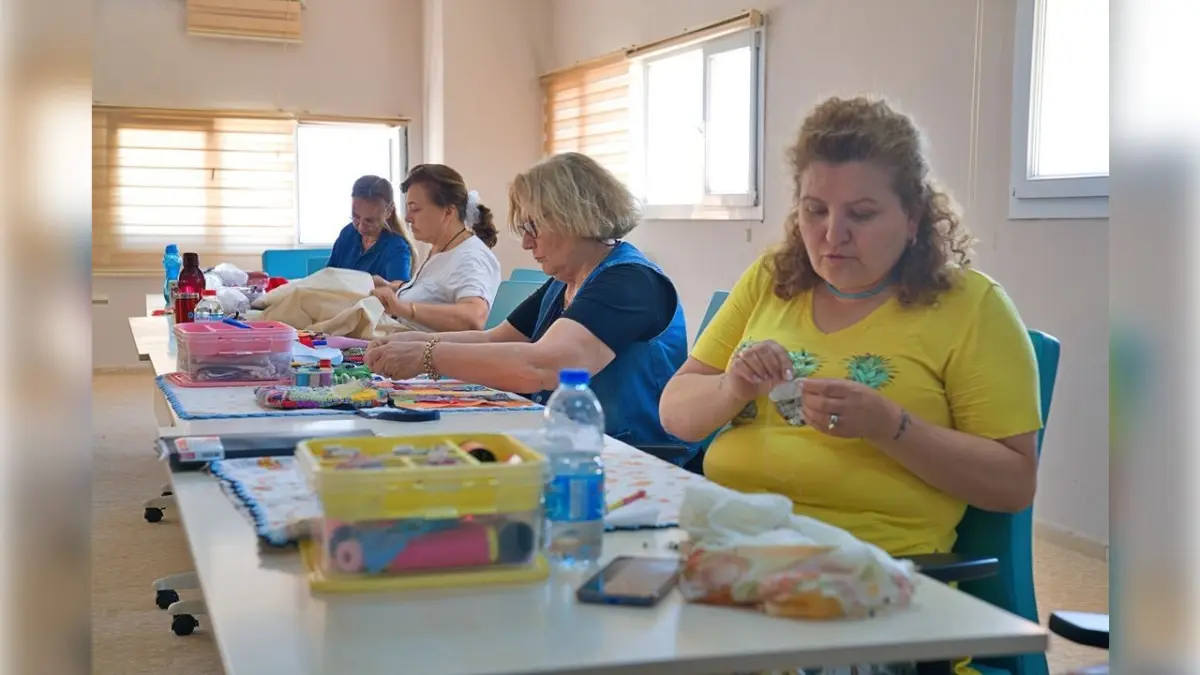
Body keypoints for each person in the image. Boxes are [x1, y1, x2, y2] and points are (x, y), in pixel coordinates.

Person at [660, 98, 1041, 675]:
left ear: (913, 217)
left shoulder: (970, 307)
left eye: (861, 214)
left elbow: (1013, 483)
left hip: (868, 590)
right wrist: (731, 388)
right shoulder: (771, 280)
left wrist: (892, 427)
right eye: (814, 210)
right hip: (733, 571)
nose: (832, 235)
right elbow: (675, 414)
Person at [366, 152, 695, 457]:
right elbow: (497, 339)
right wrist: (409, 342)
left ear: (575, 217)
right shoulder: (564, 282)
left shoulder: (629, 282)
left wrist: (428, 356)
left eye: (532, 226)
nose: (525, 242)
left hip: (631, 455)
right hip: (574, 445)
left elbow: (545, 367)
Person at [369, 164, 502, 332]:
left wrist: (403, 308)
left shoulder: (472, 257)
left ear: (448, 212)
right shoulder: (442, 248)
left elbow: (473, 317)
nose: (408, 218)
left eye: (415, 209)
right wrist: (392, 287)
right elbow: (435, 292)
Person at [326, 175, 415, 283]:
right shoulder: (348, 233)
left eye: (370, 221)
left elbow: (399, 289)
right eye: (355, 217)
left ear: (389, 211)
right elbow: (328, 275)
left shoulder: (397, 247)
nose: (361, 227)